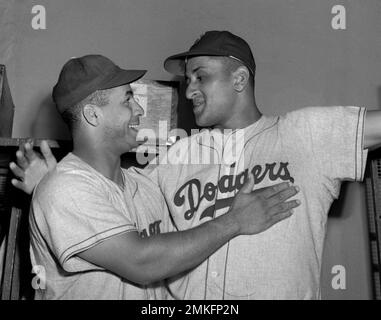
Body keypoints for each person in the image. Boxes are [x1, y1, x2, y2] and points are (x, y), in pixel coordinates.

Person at [12, 30, 381, 299]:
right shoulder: (175, 158)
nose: (188, 91)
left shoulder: (305, 134)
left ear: (240, 78)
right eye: (187, 80)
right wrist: (48, 187)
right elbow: (107, 207)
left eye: (200, 76)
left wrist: (48, 186)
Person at [20, 54, 299, 300]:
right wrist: (236, 221)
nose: (140, 110)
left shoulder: (144, 185)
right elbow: (142, 263)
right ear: (93, 115)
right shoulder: (65, 189)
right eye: (128, 100)